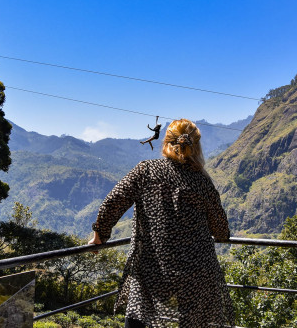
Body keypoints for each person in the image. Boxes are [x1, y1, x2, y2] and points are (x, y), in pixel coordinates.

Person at [89, 119, 234, 328]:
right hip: (196, 272)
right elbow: (221, 231)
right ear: (196, 147)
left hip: (152, 267)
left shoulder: (146, 170)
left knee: (139, 313)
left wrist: (99, 235)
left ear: (166, 143)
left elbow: (114, 201)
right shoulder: (202, 182)